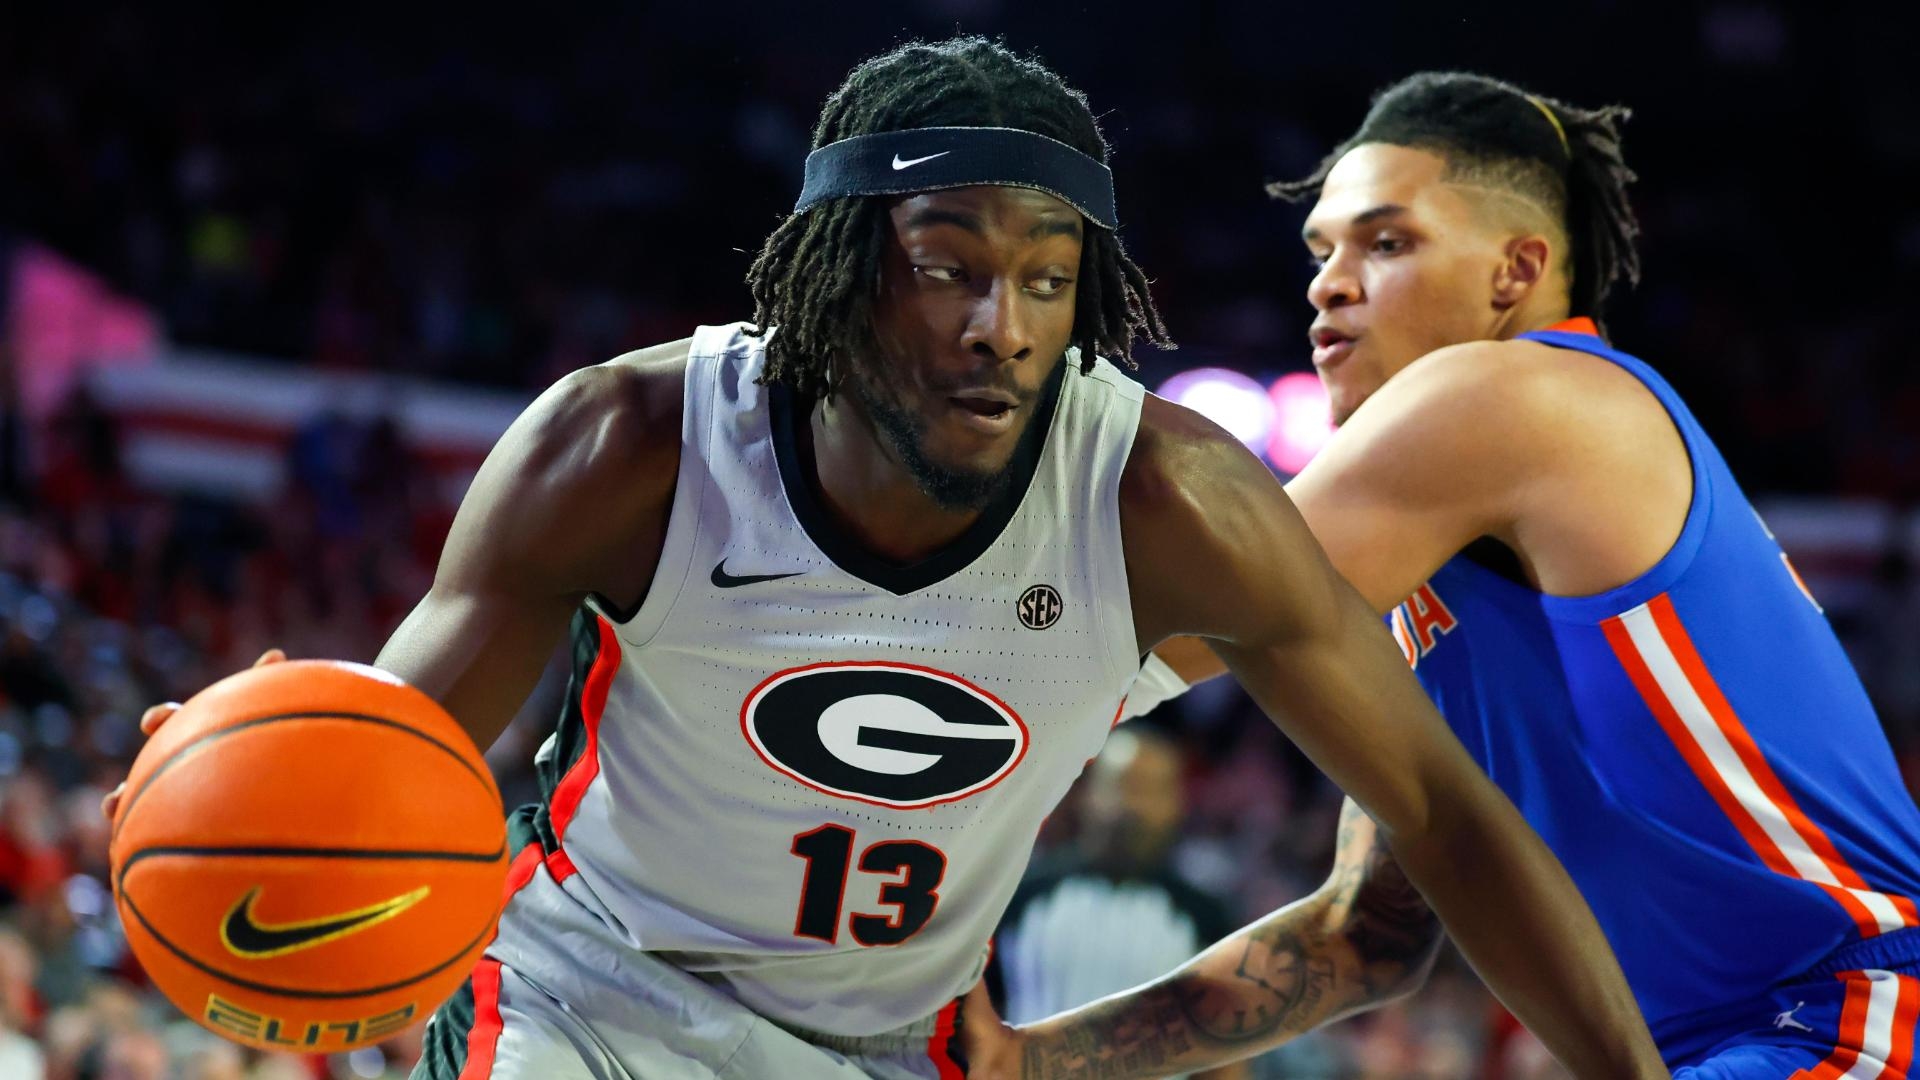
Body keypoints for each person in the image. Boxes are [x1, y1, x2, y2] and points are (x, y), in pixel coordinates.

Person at [108, 43, 1665, 1079]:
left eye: (1049, 280)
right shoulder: (627, 448)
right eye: (948, 268)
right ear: (845, 273)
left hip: (889, 1046)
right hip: (592, 995)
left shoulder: (1166, 504)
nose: (1004, 326)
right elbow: (394, 757)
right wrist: (253, 788)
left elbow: (1446, 821)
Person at [961, 72, 1920, 1080]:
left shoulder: (1510, 393)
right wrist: (1020, 1063)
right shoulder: (1434, 568)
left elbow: (1140, 633)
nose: (1329, 284)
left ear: (1516, 271)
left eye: (1386, 243)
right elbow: (1360, 936)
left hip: (1853, 1014)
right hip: (1754, 1037)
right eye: (1321, 251)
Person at [988, 727, 1245, 1080]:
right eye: (1123, 785)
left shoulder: (1205, 916)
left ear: (1177, 803)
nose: (1133, 807)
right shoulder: (1019, 897)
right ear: (1086, 793)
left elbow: (1223, 1048)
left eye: (1152, 791)